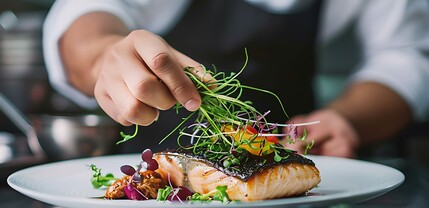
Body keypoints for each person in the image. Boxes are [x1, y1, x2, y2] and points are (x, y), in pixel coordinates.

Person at [42, 0, 429, 158]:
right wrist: (105, 54)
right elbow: (85, 19)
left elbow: (406, 55)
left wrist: (346, 117)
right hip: (146, 202)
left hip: (290, 179)